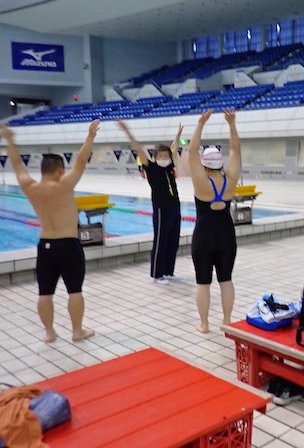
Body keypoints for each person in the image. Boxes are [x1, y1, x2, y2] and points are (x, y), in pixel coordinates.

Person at [0, 122, 98, 343]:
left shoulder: (29, 187)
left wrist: (9, 140)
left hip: (45, 246)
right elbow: (81, 160)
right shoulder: (64, 185)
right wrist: (90, 135)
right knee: (75, 291)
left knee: (45, 293)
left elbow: (16, 164)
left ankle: (50, 333)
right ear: (60, 170)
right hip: (68, 245)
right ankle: (76, 331)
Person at [188, 109, 240, 333]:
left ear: (205, 165)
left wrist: (201, 123)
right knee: (226, 280)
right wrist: (231, 124)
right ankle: (227, 320)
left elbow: (190, 151)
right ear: (220, 164)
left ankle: (204, 323)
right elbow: (236, 150)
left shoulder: (201, 181)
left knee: (203, 282)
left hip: (204, 235)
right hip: (226, 234)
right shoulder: (231, 179)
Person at [118, 121, 183, 285]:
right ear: (155, 157)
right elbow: (138, 149)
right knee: (161, 240)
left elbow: (174, 148)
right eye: (160, 156)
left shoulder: (169, 166)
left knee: (173, 239)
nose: (163, 158)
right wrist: (128, 132)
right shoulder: (151, 167)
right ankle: (157, 274)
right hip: (161, 208)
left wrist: (178, 135)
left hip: (175, 206)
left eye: (165, 156)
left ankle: (168, 271)